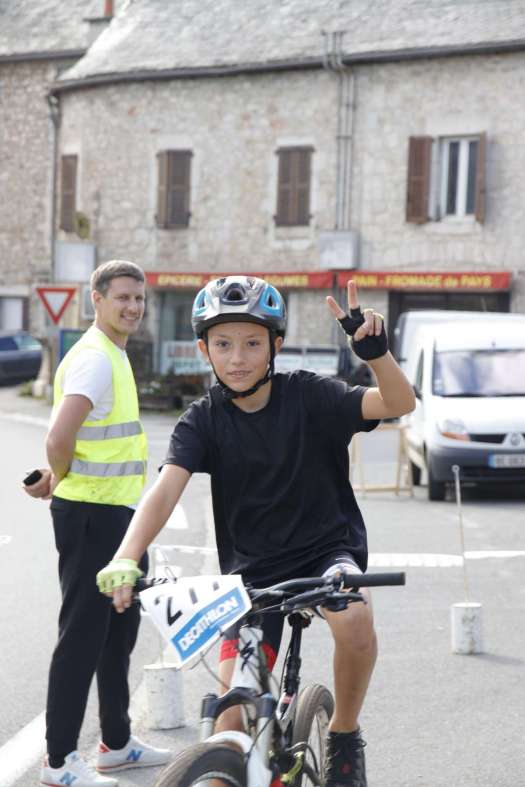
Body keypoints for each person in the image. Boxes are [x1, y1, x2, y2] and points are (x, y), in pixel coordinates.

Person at [96, 275, 415, 787]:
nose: (238, 358)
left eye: (252, 343)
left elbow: (397, 403)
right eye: (223, 344)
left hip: (326, 555)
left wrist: (376, 355)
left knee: (354, 618)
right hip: (250, 577)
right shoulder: (202, 420)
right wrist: (126, 556)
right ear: (204, 350)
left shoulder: (309, 394)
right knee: (228, 726)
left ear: (275, 346)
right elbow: (165, 490)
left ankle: (342, 733)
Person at [24, 260, 170, 787]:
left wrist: (56, 474)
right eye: (123, 297)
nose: (133, 307)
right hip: (92, 517)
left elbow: (79, 442)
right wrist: (61, 477)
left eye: (139, 298)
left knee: (118, 633)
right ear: (98, 299)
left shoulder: (112, 353)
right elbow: (59, 437)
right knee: (83, 638)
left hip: (119, 517)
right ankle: (59, 761)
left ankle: (116, 743)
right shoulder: (95, 359)